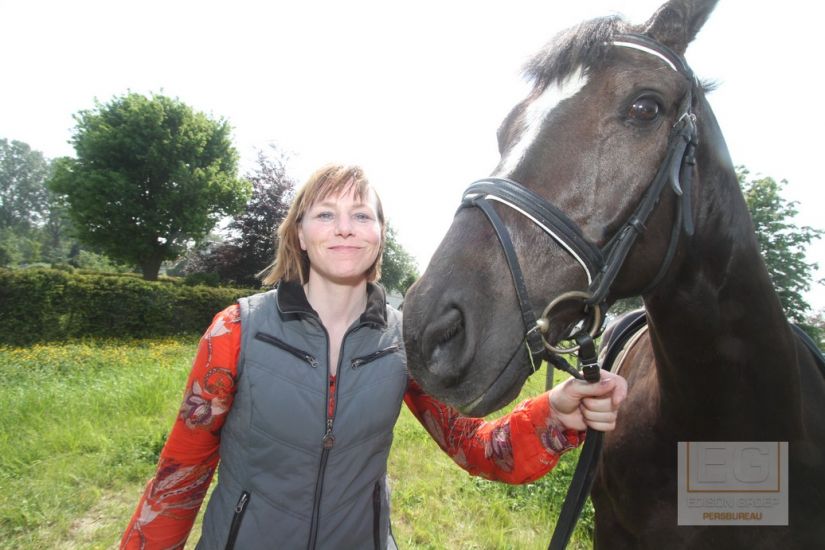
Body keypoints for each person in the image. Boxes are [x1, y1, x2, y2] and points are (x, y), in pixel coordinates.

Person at [120, 164, 627, 550]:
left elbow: (473, 446)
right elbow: (179, 477)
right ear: (300, 234)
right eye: (325, 214)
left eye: (361, 215)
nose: (344, 228)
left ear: (380, 233)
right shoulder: (235, 331)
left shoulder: (405, 339)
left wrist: (556, 413)